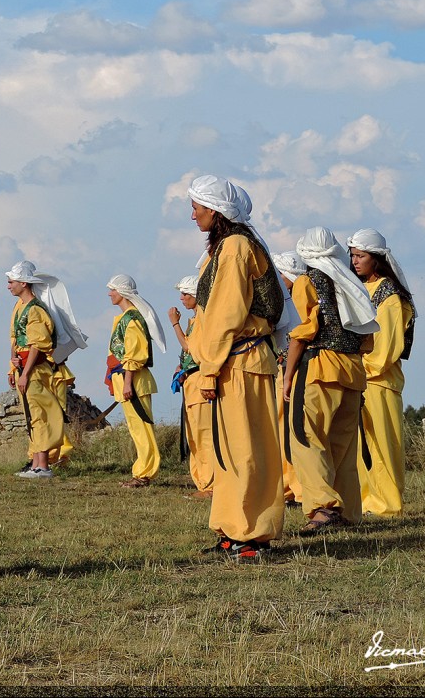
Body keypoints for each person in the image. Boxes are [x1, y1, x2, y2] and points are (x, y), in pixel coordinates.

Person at [186, 174, 288, 562]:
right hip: (242, 360)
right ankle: (235, 530)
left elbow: (225, 315)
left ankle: (247, 535)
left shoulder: (234, 247)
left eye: (196, 208)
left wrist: (209, 369)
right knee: (233, 450)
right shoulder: (235, 245)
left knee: (242, 451)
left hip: (238, 362)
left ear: (214, 210)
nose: (193, 215)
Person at [284, 227, 378, 534]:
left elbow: (302, 333)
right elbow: (367, 338)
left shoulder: (306, 281)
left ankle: (323, 508)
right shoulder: (351, 283)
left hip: (318, 367)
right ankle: (349, 513)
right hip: (352, 371)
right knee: (343, 446)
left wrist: (287, 378)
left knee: (306, 439)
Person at [348, 228, 416, 517]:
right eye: (352, 256)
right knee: (362, 444)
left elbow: (386, 347)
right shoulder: (361, 289)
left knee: (383, 444)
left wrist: (362, 368)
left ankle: (387, 503)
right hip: (359, 380)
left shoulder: (390, 296)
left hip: (379, 381)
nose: (355, 262)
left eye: (360, 256)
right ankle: (367, 499)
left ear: (376, 258)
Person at [6, 261, 88, 479]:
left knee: (40, 414)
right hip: (23, 367)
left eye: (11, 281)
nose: (8, 286)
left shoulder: (35, 310)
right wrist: (12, 365)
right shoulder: (20, 308)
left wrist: (24, 373)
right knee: (32, 415)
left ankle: (42, 465)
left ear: (23, 283)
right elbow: (16, 340)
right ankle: (35, 463)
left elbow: (36, 345)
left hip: (33, 369)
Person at [105, 274, 166, 488]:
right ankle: (142, 471)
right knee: (136, 428)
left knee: (142, 427)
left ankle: (145, 473)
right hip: (125, 379)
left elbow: (135, 354)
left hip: (134, 380)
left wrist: (128, 382)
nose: (109, 294)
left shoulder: (132, 319)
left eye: (112, 289)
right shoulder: (125, 318)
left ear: (121, 292)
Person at [167, 275, 213, 499]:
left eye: (186, 294)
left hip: (199, 379)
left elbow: (191, 347)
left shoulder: (204, 320)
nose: (182, 298)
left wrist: (174, 323)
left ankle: (210, 484)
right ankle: (202, 481)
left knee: (204, 433)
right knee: (193, 434)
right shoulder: (194, 321)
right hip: (190, 380)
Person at [272, 250, 307, 508]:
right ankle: (286, 485)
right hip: (282, 367)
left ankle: (298, 487)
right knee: (281, 428)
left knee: (293, 429)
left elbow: (299, 337)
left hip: (293, 369)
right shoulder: (288, 300)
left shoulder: (301, 297)